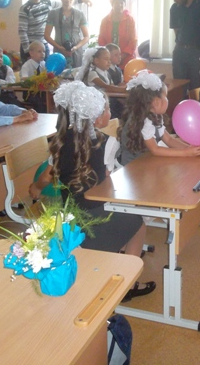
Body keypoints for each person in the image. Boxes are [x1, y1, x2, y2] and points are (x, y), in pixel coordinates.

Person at [28, 81, 155, 301]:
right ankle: (128, 284)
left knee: (127, 217)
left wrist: (36, 188)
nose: (110, 113)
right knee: (138, 222)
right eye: (106, 109)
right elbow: (110, 183)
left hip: (70, 217)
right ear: (96, 118)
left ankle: (117, 254)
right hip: (97, 216)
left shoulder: (60, 141)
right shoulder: (108, 142)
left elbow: (46, 177)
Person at [119, 70, 200, 166]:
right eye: (166, 96)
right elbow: (155, 149)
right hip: (133, 167)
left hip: (147, 161)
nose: (168, 100)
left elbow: (169, 140)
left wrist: (189, 148)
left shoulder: (155, 115)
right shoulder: (145, 121)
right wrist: (186, 153)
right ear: (156, 102)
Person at [18, 0, 91, 63]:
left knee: (46, 70)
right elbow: (22, 32)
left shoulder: (47, 2)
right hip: (31, 46)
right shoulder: (25, 9)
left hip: (44, 45)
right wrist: (28, 52)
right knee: (30, 70)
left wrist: (81, 0)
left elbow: (67, 2)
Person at [44, 0, 89, 67]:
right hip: (59, 53)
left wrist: (76, 47)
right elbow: (46, 35)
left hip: (76, 53)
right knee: (59, 73)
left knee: (76, 74)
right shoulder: (53, 13)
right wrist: (59, 47)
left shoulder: (80, 14)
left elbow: (86, 36)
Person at [76, 47, 125, 118]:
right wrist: (124, 90)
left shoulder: (107, 73)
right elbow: (106, 87)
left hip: (107, 102)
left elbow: (113, 86)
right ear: (96, 61)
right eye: (106, 59)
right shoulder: (92, 73)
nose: (109, 62)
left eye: (109, 59)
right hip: (97, 105)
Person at [98, 0, 137, 67]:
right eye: (116, 3)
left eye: (121, 3)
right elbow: (101, 39)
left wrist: (121, 57)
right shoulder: (105, 21)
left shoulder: (130, 20)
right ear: (112, 5)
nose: (119, 5)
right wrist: (108, 56)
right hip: (109, 60)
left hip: (126, 59)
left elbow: (133, 41)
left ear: (125, 5)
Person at [20, 41, 47, 113]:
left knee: (52, 98)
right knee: (39, 102)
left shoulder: (44, 64)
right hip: (30, 93)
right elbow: (24, 80)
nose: (42, 54)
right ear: (31, 53)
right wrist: (36, 80)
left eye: (44, 51)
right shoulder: (26, 66)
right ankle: (41, 117)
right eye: (39, 51)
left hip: (43, 91)